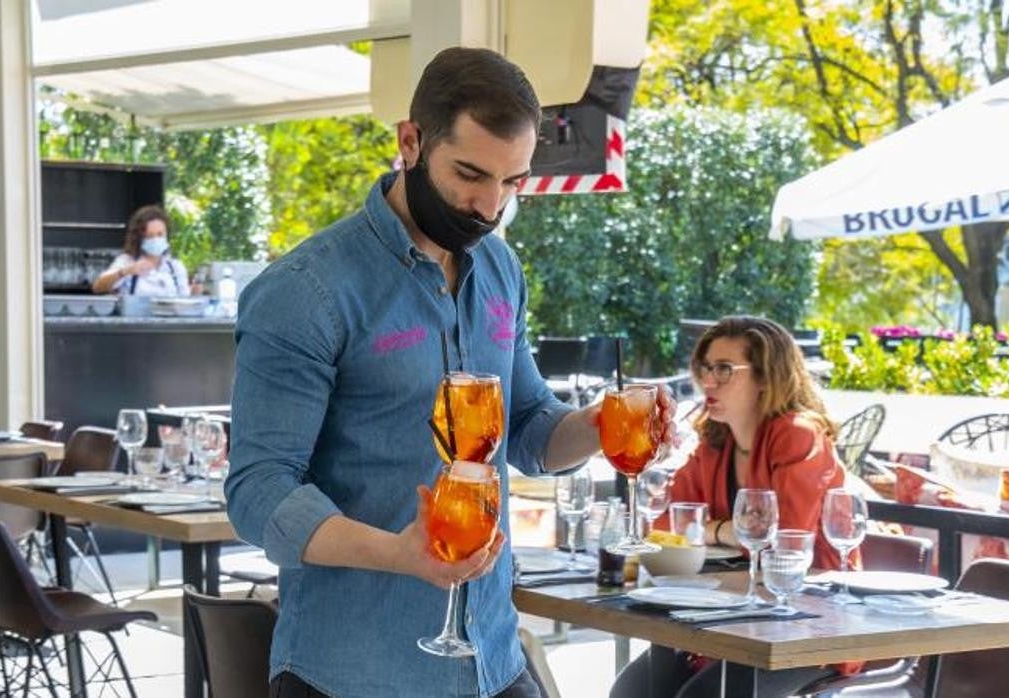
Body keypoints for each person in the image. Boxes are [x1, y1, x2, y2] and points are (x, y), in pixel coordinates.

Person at [225, 47, 675, 698]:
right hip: (352, 671)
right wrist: (399, 555)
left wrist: (603, 426)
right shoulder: (307, 291)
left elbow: (527, 431)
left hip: (491, 658)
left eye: (513, 181)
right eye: (470, 174)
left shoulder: (500, 270)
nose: (490, 205)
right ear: (410, 141)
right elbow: (257, 493)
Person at [610, 316, 857, 698]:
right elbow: (664, 523)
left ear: (765, 377)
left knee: (705, 696)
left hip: (806, 629)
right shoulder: (715, 440)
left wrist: (712, 529)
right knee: (633, 690)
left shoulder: (797, 435)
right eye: (705, 368)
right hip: (729, 615)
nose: (708, 381)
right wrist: (728, 529)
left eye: (724, 370)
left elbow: (786, 546)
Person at [91, 204, 189, 296]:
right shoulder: (126, 261)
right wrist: (125, 272)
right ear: (139, 237)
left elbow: (185, 301)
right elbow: (98, 287)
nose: (155, 239)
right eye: (150, 235)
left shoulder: (175, 268)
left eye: (160, 234)